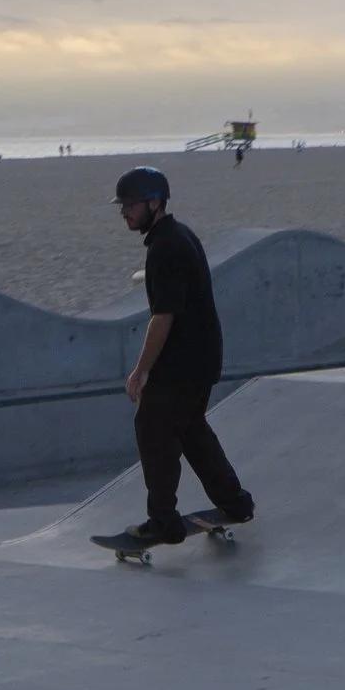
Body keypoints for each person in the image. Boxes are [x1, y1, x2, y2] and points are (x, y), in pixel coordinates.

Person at [111, 166, 253, 548]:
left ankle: (163, 523)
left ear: (154, 202)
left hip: (182, 362)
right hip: (201, 357)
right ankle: (235, 503)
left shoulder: (166, 247)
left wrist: (141, 370)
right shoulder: (177, 235)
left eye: (130, 204)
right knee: (190, 429)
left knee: (153, 430)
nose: (124, 212)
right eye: (122, 205)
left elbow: (163, 317)